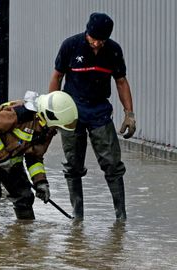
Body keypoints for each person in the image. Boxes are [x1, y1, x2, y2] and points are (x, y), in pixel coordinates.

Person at [48, 12, 136, 220]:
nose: (97, 44)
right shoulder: (70, 46)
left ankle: (120, 217)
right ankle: (77, 216)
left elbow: (121, 81)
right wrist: (52, 112)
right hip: (72, 110)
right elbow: (57, 77)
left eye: (101, 40)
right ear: (87, 33)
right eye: (93, 39)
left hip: (99, 111)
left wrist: (129, 113)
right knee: (73, 165)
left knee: (113, 164)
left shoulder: (113, 51)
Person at [0, 91, 78, 224]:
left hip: (11, 154)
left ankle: (24, 234)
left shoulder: (48, 129)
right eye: (56, 126)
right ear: (49, 116)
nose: (56, 130)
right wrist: (2, 158)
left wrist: (40, 182)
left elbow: (34, 157)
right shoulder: (21, 113)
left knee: (24, 196)